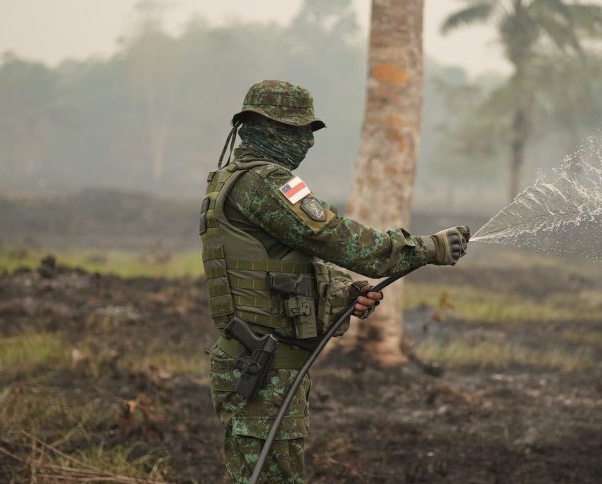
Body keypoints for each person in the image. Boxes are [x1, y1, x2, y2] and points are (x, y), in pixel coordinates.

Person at [200, 80, 469, 483]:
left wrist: (345, 292)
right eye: (298, 131)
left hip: (263, 358)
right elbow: (333, 239)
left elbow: (283, 262)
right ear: (265, 126)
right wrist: (425, 248)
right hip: (263, 363)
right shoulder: (265, 183)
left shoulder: (234, 179)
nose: (306, 141)